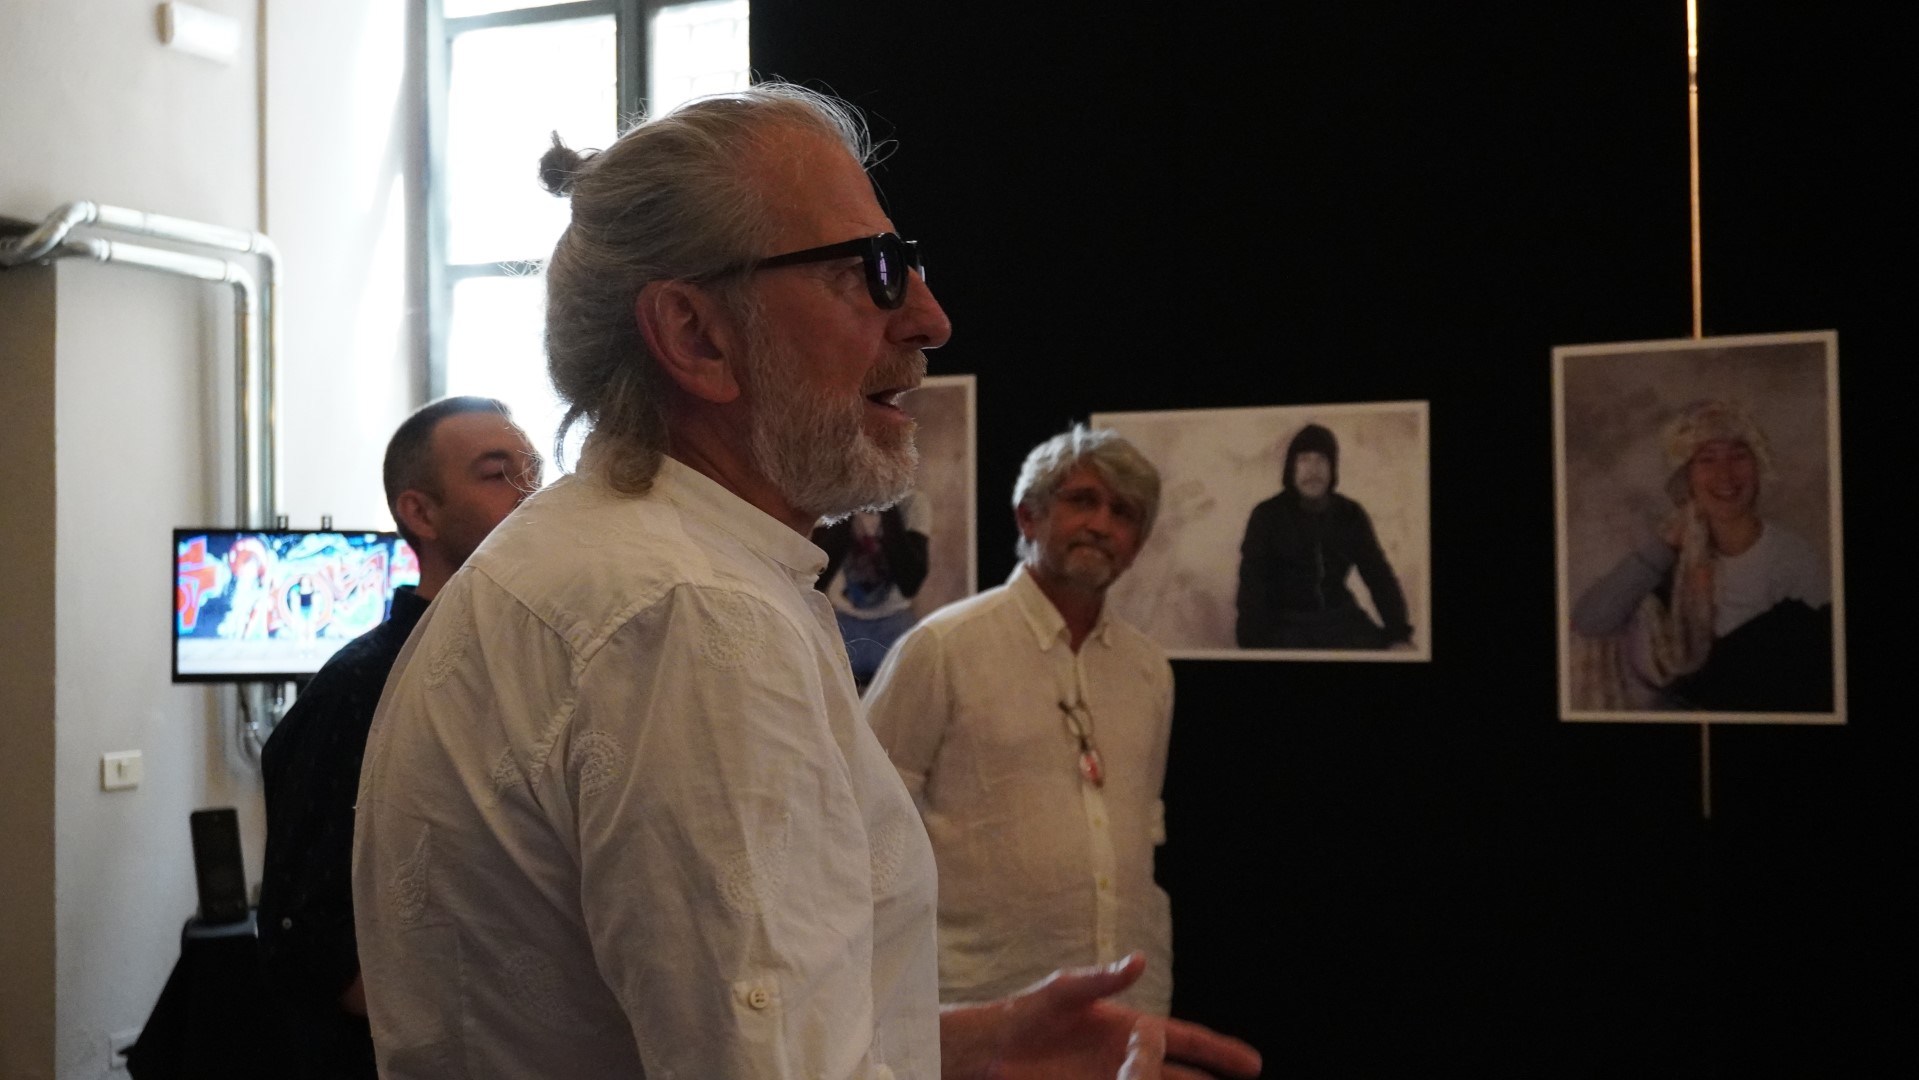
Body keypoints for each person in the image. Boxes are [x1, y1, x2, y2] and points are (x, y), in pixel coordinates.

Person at [350, 83, 1259, 1080]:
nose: (929, 317)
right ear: (696, 336)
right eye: (871, 271)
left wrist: (976, 1049)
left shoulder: (616, 563)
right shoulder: (691, 614)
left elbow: (705, 1024)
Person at [256, 395, 540, 1080]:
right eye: (497, 474)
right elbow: (309, 938)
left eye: (535, 471)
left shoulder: (536, 665)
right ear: (421, 513)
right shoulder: (358, 689)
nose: (531, 493)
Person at [864, 425, 1176, 1014]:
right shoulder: (942, 648)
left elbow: (1144, 837)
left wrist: (1150, 994)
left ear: (1137, 544)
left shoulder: (1148, 670)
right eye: (1082, 500)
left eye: (1124, 512)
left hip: (1124, 1002)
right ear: (1028, 517)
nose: (1101, 524)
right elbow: (862, 827)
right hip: (974, 1005)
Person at [1570, 397, 1833, 711]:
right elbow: (1590, 621)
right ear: (1687, 478)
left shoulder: (1792, 557)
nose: (1725, 474)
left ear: (1758, 467)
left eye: (1739, 456)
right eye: (1706, 459)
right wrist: (1665, 547)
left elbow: (1815, 668)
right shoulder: (1667, 559)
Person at [1233, 422, 1413, 650]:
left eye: (1321, 460)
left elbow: (1378, 574)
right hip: (1284, 623)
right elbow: (1252, 582)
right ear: (1291, 468)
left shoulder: (1350, 513)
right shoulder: (1267, 515)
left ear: (1332, 468)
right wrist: (1253, 643)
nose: (1313, 470)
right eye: (1304, 460)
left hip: (1340, 620)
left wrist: (1398, 633)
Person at [813, 487, 932, 690]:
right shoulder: (829, 500)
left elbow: (910, 583)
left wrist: (887, 502)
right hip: (843, 622)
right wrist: (849, 500)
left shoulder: (913, 502)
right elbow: (820, 575)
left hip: (895, 623)